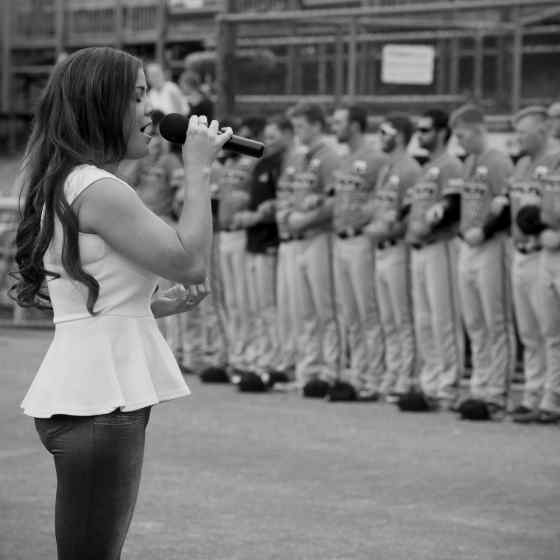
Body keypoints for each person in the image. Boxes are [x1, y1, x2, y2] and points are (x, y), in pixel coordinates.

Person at [11, 47, 232, 559]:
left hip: (93, 393)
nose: (151, 110)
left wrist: (151, 309)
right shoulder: (99, 188)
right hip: (99, 404)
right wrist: (197, 170)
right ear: (99, 105)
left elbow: (83, 301)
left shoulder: (70, 179)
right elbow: (190, 260)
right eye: (136, 96)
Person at [494, 106, 560, 423]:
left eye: (524, 131)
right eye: (517, 131)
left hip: (541, 254)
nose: (518, 138)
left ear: (543, 131)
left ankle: (552, 395)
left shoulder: (554, 160)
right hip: (518, 250)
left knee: (550, 330)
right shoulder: (521, 163)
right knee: (528, 331)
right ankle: (532, 392)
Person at [451, 104, 516, 420]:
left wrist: (485, 230)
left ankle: (496, 392)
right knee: (474, 321)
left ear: (478, 130)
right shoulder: (470, 162)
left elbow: (507, 205)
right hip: (468, 245)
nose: (458, 141)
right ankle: (478, 385)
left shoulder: (498, 160)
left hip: (492, 245)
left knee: (496, 320)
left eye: (462, 134)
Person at [401, 109, 465, 411]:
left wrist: (429, 222)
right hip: (419, 249)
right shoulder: (427, 167)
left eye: (426, 130)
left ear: (442, 132)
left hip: (441, 245)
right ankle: (430, 380)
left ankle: (448, 385)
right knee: (424, 320)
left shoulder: (450, 164)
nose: (419, 136)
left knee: (444, 318)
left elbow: (452, 205)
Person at [328, 104, 388, 401]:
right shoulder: (343, 159)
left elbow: (384, 198)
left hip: (361, 240)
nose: (333, 126)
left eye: (338, 121)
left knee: (368, 311)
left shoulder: (377, 159)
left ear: (355, 125)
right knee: (349, 313)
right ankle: (358, 374)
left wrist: (364, 217)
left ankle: (375, 378)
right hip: (339, 240)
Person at [287, 102, 342, 397]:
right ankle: (308, 370)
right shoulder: (299, 158)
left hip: (320, 236)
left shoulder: (330, 157)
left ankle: (330, 370)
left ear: (318, 125)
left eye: (302, 126)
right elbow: (289, 195)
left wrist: (306, 217)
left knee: (325, 308)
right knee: (304, 309)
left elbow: (335, 201)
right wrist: (289, 217)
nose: (298, 132)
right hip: (299, 239)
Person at [365, 113, 421, 401]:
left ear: (398, 135)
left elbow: (411, 213)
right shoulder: (388, 168)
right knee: (387, 318)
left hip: (398, 248)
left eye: (384, 132)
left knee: (402, 316)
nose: (380, 137)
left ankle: (406, 377)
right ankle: (392, 372)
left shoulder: (409, 169)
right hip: (382, 248)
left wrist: (390, 226)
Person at [232, 117, 288, 388]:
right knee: (254, 306)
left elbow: (282, 202)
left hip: (269, 242)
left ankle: (275, 360)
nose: (270, 140)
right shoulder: (262, 162)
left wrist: (257, 215)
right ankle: (261, 356)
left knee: (268, 306)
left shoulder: (283, 165)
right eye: (268, 135)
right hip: (253, 241)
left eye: (275, 135)